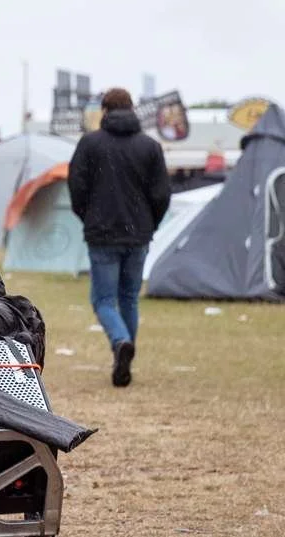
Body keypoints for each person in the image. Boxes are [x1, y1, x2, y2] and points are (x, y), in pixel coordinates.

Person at [67, 87, 171, 388]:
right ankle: (124, 355)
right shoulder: (150, 147)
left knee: (102, 299)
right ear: (132, 108)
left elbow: (76, 187)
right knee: (129, 298)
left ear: (104, 110)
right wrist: (149, 223)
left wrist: (88, 217)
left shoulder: (89, 144)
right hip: (138, 234)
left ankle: (121, 341)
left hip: (102, 234)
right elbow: (162, 193)